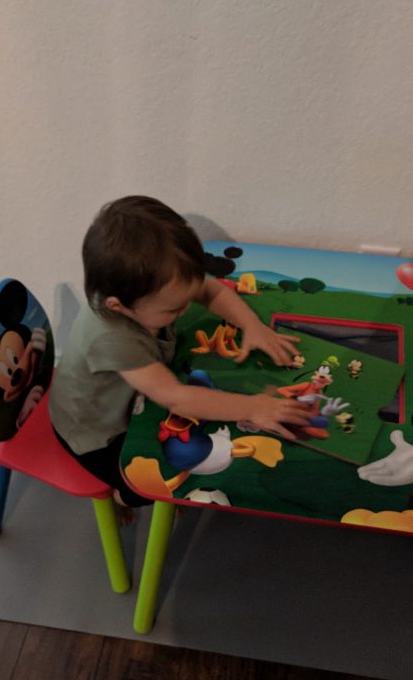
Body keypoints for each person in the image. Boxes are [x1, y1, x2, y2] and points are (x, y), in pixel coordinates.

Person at [48, 195, 314, 523]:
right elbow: (176, 398)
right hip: (94, 433)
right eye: (174, 309)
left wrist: (252, 325)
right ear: (119, 306)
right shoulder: (111, 337)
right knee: (153, 482)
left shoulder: (154, 286)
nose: (187, 308)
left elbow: (211, 291)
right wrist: (254, 407)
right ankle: (120, 497)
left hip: (130, 396)